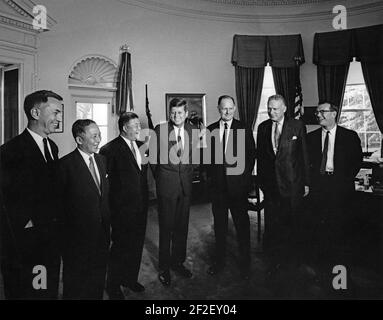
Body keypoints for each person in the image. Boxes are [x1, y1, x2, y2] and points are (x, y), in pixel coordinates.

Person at [0, 90, 63, 299]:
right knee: (27, 290)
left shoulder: (52, 147)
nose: (59, 118)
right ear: (36, 113)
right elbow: (6, 202)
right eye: (55, 113)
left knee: (46, 287)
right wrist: (28, 224)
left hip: (50, 236)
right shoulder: (10, 151)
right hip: (26, 242)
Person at [256, 94, 310, 273]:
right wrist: (263, 183)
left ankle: (294, 260)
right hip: (271, 187)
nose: (271, 112)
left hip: (293, 185)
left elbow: (304, 156)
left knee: (292, 223)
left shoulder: (297, 126)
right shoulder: (263, 128)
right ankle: (274, 261)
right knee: (272, 225)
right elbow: (262, 159)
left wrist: (306, 183)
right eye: (269, 108)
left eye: (275, 109)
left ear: (285, 109)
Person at [307, 102, 362, 271]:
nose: (318, 115)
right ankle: (321, 265)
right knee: (319, 225)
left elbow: (356, 162)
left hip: (340, 187)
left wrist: (342, 180)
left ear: (333, 113)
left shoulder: (349, 136)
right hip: (318, 187)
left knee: (339, 226)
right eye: (317, 112)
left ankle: (339, 266)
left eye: (323, 112)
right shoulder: (311, 137)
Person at [205, 95, 256, 278]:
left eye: (230, 108)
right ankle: (219, 262)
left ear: (234, 108)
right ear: (218, 109)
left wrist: (242, 180)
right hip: (217, 189)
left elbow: (251, 156)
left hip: (238, 189)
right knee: (220, 227)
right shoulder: (210, 130)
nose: (227, 112)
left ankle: (245, 262)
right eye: (224, 108)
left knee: (242, 226)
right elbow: (205, 158)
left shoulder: (243, 128)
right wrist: (210, 179)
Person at [59, 119, 110, 300]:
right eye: (94, 136)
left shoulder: (102, 160)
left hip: (102, 235)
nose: (99, 139)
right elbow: (60, 208)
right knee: (75, 285)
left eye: (99, 135)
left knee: (97, 280)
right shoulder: (65, 166)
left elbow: (103, 197)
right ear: (79, 140)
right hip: (77, 241)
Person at [100, 112, 148, 299]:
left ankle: (129, 279)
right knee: (120, 247)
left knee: (136, 245)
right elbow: (106, 185)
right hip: (121, 210)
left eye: (138, 125)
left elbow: (141, 176)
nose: (138, 128)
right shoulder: (109, 150)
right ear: (124, 128)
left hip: (141, 206)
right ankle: (112, 286)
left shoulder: (141, 146)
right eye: (135, 125)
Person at [152, 98, 199, 286]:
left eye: (180, 113)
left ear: (186, 114)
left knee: (182, 227)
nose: (176, 116)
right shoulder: (160, 130)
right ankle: (164, 268)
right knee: (166, 228)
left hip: (185, 187)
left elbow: (195, 158)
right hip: (167, 187)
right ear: (169, 114)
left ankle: (178, 262)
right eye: (173, 113)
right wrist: (164, 179)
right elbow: (153, 161)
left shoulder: (192, 131)